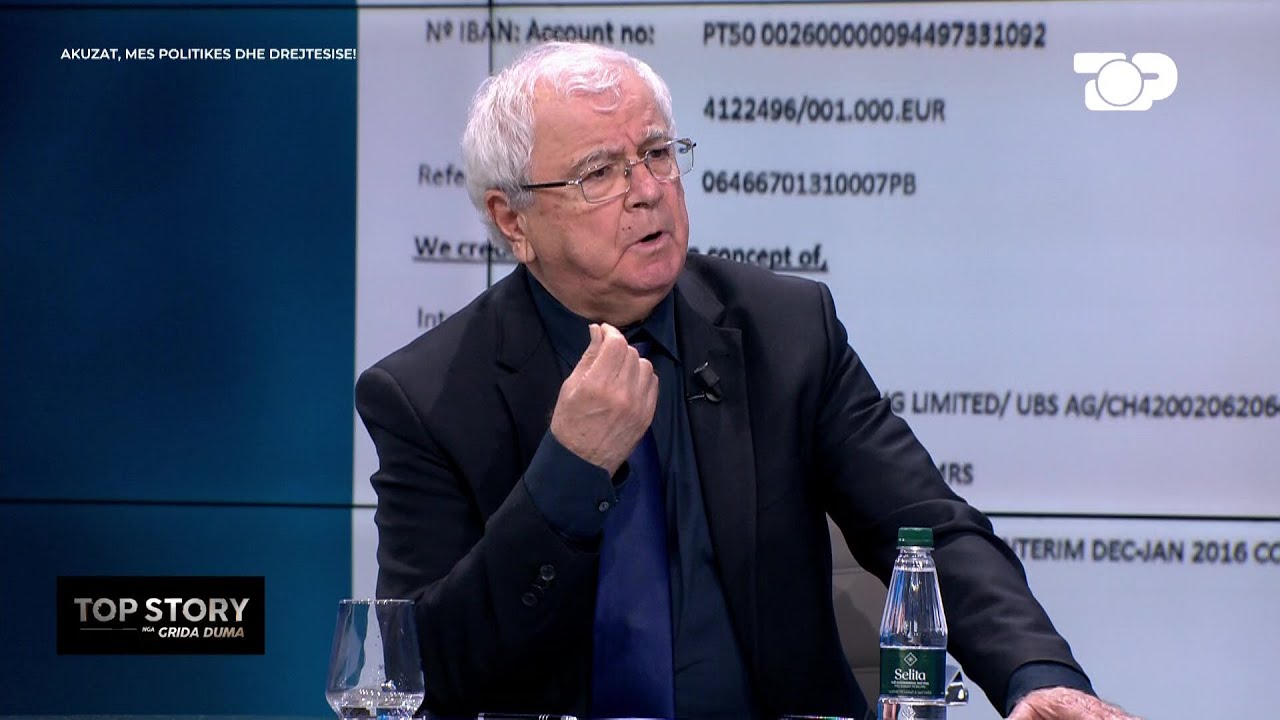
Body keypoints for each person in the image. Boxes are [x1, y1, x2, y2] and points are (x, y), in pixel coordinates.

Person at [356, 41, 1137, 720]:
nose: (648, 189)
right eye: (599, 172)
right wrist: (567, 475)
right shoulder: (426, 398)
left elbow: (927, 527)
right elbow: (429, 669)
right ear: (512, 220)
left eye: (657, 153)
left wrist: (1037, 673)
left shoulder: (784, 330)